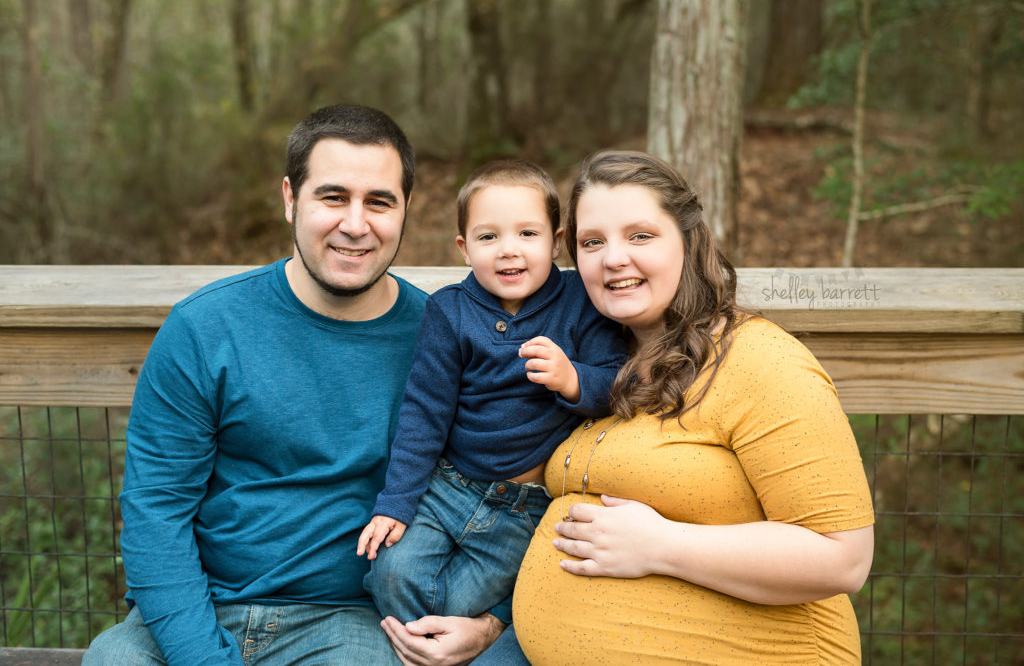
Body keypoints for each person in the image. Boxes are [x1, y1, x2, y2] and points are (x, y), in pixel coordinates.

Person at [83, 104, 502, 666]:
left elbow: (512, 492)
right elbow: (156, 513)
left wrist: (492, 622)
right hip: (199, 608)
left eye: (379, 201)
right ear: (289, 198)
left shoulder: (447, 341)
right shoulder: (205, 328)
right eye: (333, 197)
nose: (356, 224)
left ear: (406, 211)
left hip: (349, 622)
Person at [473, 150, 876, 665]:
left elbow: (843, 559)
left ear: (688, 240)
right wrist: (491, 624)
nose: (614, 257)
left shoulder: (759, 359)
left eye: (640, 235)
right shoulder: (593, 370)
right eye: (592, 242)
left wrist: (661, 545)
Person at [356, 160, 627, 626]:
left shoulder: (579, 300)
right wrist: (396, 502)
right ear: (464, 248)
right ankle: (427, 644)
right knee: (390, 576)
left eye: (527, 234)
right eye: (488, 237)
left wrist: (573, 379)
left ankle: (453, 638)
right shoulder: (450, 310)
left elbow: (620, 382)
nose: (508, 251)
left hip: (524, 508)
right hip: (448, 486)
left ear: (556, 242)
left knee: (462, 607)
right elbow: (424, 412)